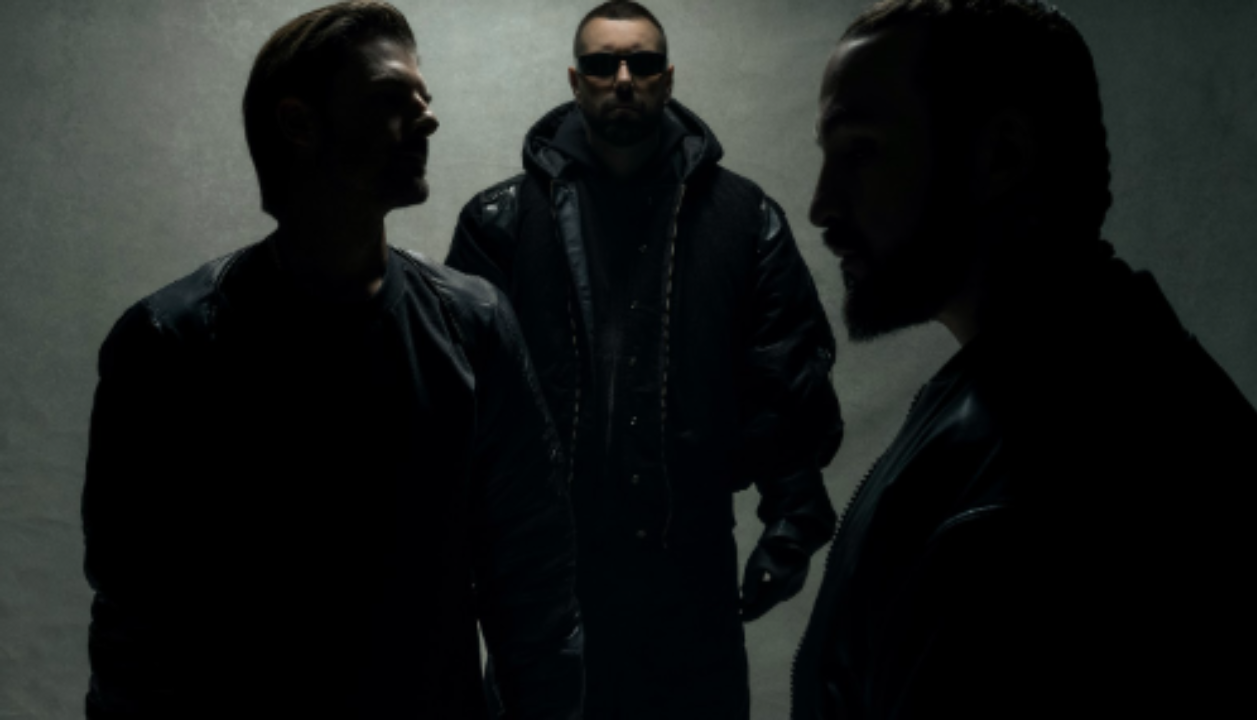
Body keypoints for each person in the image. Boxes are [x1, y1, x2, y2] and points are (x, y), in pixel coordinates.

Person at [81, 3, 583, 718]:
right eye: (392, 97)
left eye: (425, 97)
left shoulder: (473, 324)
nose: (429, 119)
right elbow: (138, 623)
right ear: (299, 122)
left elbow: (533, 586)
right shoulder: (171, 344)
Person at [793, 0, 1257, 717]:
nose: (822, 207)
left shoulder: (1060, 487)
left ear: (1003, 156)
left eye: (861, 150)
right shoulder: (1074, 380)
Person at [446, 2, 843, 717]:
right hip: (549, 587)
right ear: (576, 81)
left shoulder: (743, 217)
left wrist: (794, 514)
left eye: (643, 62)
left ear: (668, 77)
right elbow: (466, 408)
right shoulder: (498, 222)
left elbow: (783, 370)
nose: (623, 78)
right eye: (603, 64)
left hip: (689, 579)